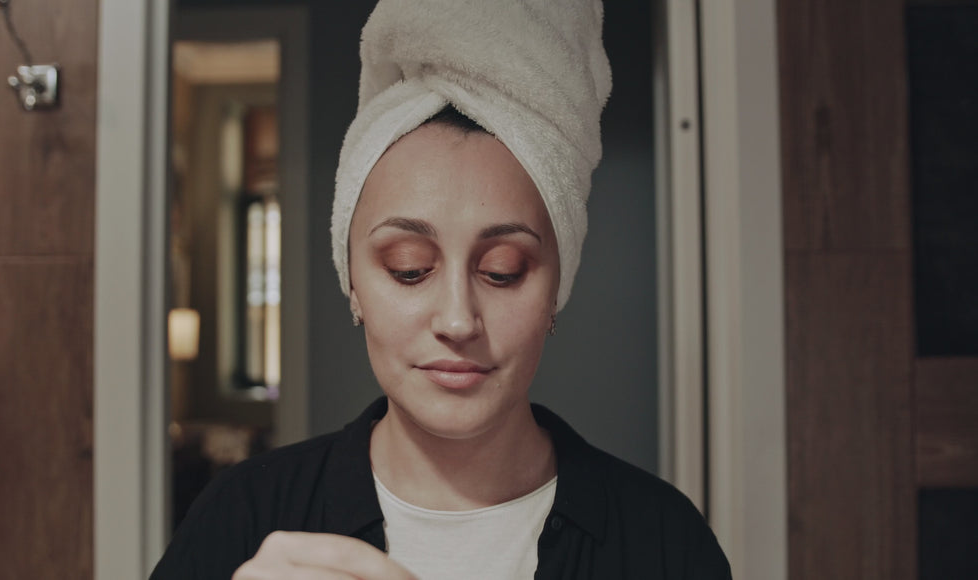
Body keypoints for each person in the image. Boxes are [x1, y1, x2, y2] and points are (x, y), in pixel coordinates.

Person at [151, 0, 731, 578]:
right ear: (352, 284)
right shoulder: (244, 516)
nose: (457, 320)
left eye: (502, 270)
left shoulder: (663, 541)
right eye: (409, 269)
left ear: (556, 291)